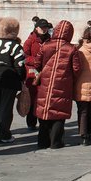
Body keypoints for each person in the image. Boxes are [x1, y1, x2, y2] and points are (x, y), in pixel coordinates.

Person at [35, 20, 81, 149]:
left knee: (44, 111)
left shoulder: (46, 45)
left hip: (46, 82)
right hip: (63, 84)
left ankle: (42, 141)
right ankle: (56, 142)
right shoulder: (72, 49)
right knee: (59, 113)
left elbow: (37, 63)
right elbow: (76, 69)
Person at [0, 17, 25, 144]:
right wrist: (20, 79)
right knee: (6, 108)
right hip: (9, 81)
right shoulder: (15, 46)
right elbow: (20, 65)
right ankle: (4, 134)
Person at [23, 19, 52, 129]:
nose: (44, 30)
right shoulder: (30, 40)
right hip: (32, 73)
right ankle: (31, 122)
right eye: (42, 27)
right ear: (36, 28)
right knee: (32, 97)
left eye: (46, 28)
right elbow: (24, 55)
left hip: (46, 71)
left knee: (43, 98)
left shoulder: (50, 40)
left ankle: (43, 120)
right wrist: (35, 61)